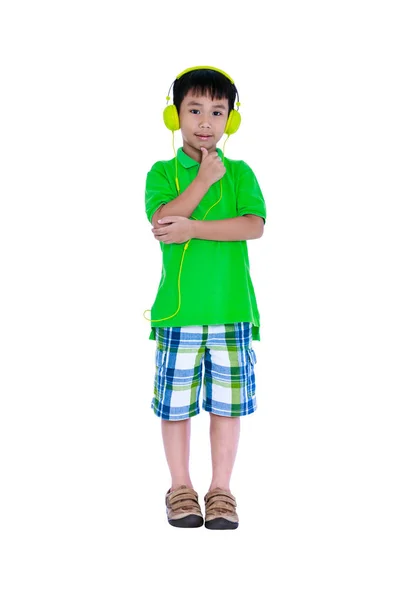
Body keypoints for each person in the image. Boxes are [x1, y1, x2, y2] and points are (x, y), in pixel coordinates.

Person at [144, 66, 267, 529]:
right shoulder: (162, 172)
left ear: (230, 120)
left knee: (226, 406)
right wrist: (201, 183)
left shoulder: (240, 174)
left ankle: (221, 490)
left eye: (218, 112)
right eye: (194, 110)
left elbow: (252, 225)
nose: (206, 122)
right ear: (174, 115)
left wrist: (193, 227)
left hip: (232, 310)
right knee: (175, 407)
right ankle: (180, 488)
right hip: (179, 316)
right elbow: (163, 225)